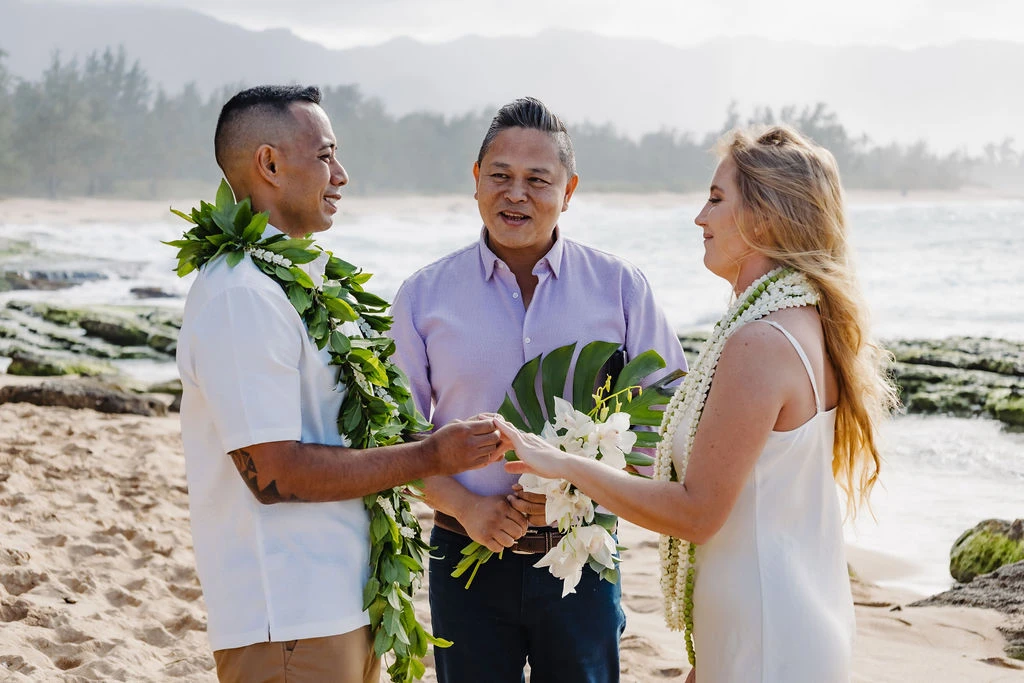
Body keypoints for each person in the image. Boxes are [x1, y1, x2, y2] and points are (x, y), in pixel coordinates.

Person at [495, 125, 899, 682]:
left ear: (764, 216)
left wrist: (564, 465)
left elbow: (698, 513)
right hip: (769, 620)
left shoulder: (761, 341)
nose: (699, 218)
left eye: (715, 199)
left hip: (767, 634)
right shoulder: (800, 322)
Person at [175, 85, 509, 683]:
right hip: (288, 616)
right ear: (270, 165)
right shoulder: (241, 295)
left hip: (339, 605)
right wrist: (429, 454)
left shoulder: (289, 282)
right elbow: (274, 472)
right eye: (326, 155)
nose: (342, 175)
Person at [389, 96, 687, 683]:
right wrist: (467, 507)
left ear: (569, 190)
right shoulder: (424, 296)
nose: (515, 194)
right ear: (476, 182)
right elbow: (395, 438)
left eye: (537, 180)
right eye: (499, 176)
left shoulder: (620, 288)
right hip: (464, 556)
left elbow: (668, 412)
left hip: (583, 556)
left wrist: (589, 487)